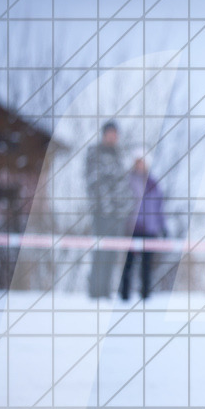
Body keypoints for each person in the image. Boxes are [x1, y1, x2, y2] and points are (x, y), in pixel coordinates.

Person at [85, 121, 134, 299]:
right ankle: (95, 292)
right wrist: (107, 207)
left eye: (116, 134)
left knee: (112, 255)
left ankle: (105, 292)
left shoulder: (119, 156)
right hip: (102, 214)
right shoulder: (94, 154)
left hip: (118, 216)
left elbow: (124, 186)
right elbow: (95, 184)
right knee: (101, 253)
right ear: (104, 134)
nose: (113, 137)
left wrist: (125, 207)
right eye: (110, 133)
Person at [119, 154, 167, 301]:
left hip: (150, 230)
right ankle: (124, 296)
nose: (140, 165)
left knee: (147, 266)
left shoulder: (153, 183)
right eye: (138, 162)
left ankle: (146, 296)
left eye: (142, 162)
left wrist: (162, 227)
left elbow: (159, 208)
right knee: (129, 264)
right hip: (133, 228)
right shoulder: (128, 181)